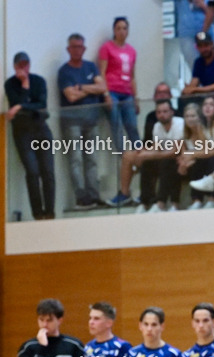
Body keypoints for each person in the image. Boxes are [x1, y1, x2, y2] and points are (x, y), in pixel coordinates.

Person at [4, 52, 56, 220]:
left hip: (41, 129)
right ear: (14, 67)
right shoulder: (10, 84)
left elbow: (42, 104)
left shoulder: (39, 81)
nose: (23, 68)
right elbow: (14, 101)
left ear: (30, 65)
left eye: (26, 64)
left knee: (47, 171)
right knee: (32, 171)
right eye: (20, 65)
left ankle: (50, 212)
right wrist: (25, 88)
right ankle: (38, 213)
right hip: (23, 132)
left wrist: (19, 107)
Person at [58, 34, 107, 210]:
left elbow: (102, 87)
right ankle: (81, 198)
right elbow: (70, 96)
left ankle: (94, 195)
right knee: (76, 159)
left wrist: (81, 88)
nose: (77, 50)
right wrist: (90, 90)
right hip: (72, 122)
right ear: (68, 49)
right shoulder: (64, 71)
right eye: (74, 47)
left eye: (80, 46)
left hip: (92, 120)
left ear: (84, 48)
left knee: (92, 159)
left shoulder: (91, 66)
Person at [116, 98, 184, 213]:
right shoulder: (157, 126)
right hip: (165, 158)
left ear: (172, 112)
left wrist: (149, 155)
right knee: (147, 163)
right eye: (159, 112)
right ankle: (145, 203)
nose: (162, 115)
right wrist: (142, 153)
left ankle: (161, 204)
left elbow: (175, 152)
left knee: (166, 162)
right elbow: (156, 147)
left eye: (165, 111)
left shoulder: (179, 124)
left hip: (179, 159)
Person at [97, 16, 140, 153]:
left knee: (132, 125)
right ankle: (123, 157)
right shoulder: (106, 48)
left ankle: (139, 156)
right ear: (114, 31)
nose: (121, 31)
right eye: (118, 28)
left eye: (124, 28)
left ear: (128, 31)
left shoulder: (132, 51)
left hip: (127, 93)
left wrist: (136, 97)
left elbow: (132, 76)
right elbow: (102, 72)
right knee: (116, 125)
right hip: (112, 92)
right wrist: (106, 94)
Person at [182, 32, 214, 99]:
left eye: (206, 45)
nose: (203, 49)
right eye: (200, 46)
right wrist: (188, 89)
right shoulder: (198, 62)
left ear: (212, 44)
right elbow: (194, 83)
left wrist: (196, 89)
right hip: (207, 97)